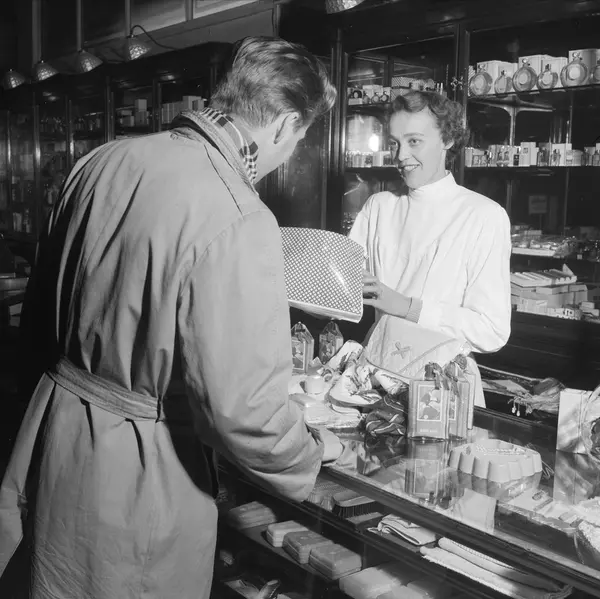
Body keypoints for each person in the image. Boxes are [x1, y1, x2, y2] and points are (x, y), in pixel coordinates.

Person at [0, 36, 342, 599]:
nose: (289, 156)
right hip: (138, 472)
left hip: (53, 432)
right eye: (299, 140)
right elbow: (245, 410)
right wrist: (309, 450)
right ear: (285, 125)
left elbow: (39, 316)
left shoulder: (102, 160)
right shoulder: (238, 213)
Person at [349, 90, 511, 406]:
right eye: (394, 143)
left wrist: (407, 306)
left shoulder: (483, 215)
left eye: (414, 141)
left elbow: (492, 330)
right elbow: (341, 290)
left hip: (443, 390)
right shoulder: (379, 207)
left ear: (447, 139)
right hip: (376, 377)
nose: (400, 156)